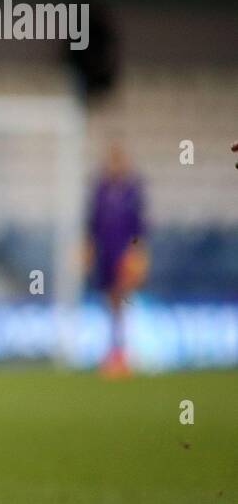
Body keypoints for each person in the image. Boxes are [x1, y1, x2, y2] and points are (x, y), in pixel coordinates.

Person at [86, 143, 147, 378]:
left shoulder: (132, 190)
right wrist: (89, 249)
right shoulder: (100, 189)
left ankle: (124, 353)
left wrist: (135, 253)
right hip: (105, 253)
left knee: (123, 300)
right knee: (110, 302)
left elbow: (138, 228)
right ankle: (114, 352)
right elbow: (92, 224)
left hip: (124, 254)